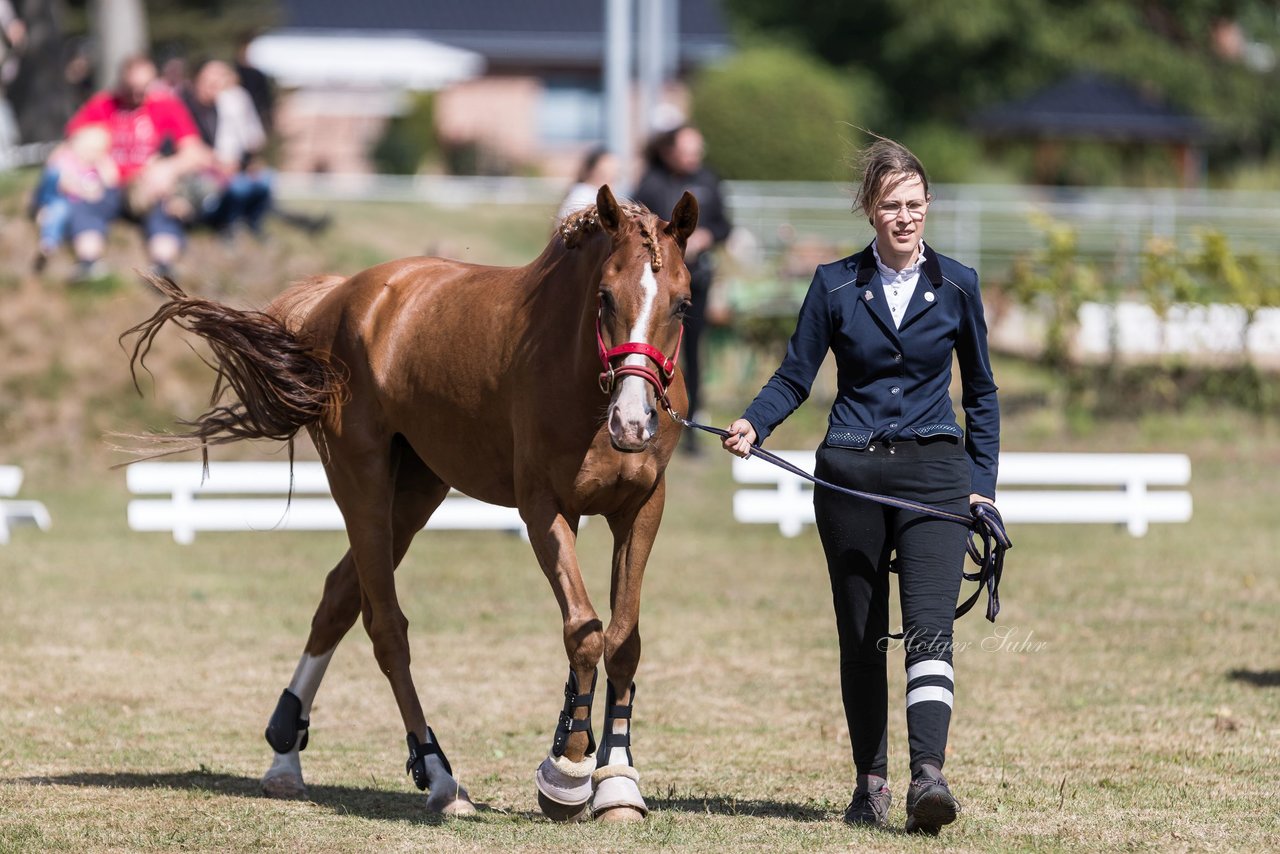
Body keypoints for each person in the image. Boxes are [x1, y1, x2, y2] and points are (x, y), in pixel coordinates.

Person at [721, 137, 1000, 836]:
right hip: (849, 472)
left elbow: (984, 397)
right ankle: (870, 782)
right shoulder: (835, 285)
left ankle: (927, 779)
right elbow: (795, 374)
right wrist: (756, 424)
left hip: (937, 475)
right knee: (863, 637)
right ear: (870, 213)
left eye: (914, 204)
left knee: (930, 632)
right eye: (889, 206)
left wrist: (983, 487)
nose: (904, 218)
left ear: (928, 205)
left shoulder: (959, 284)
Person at [62, 54, 211, 281]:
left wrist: (168, 168)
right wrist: (97, 162)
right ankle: (88, 262)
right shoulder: (103, 104)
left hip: (149, 186)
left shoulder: (166, 105)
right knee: (87, 206)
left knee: (166, 212)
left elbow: (195, 152)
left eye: (143, 88)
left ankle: (163, 267)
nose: (136, 95)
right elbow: (73, 140)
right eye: (131, 88)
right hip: (109, 184)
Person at [633, 124, 732, 448]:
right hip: (657, 287)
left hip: (696, 281)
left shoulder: (709, 180)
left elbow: (724, 225)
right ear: (669, 152)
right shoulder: (650, 185)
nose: (694, 157)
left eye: (697, 151)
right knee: (657, 348)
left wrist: (707, 236)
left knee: (693, 352)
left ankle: (692, 422)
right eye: (687, 151)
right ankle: (649, 411)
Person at [32, 123, 119, 271]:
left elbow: (111, 181)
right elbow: (61, 181)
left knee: (61, 212)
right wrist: (82, 189)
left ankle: (48, 244)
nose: (92, 153)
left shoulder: (95, 168)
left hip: (73, 204)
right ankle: (47, 244)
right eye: (90, 149)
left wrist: (103, 162)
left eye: (97, 151)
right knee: (57, 210)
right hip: (58, 199)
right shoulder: (67, 160)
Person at [556, 146, 619, 221]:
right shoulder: (583, 194)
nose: (610, 178)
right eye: (603, 173)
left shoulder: (587, 193)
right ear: (590, 171)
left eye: (613, 173)